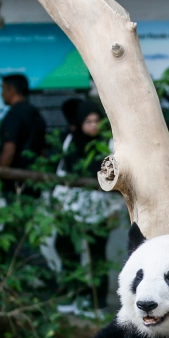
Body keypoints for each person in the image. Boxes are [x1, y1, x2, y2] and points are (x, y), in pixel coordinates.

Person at [53, 99, 118, 310]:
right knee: (65, 248)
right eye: (88, 121)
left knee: (97, 256)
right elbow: (62, 172)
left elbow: (114, 178)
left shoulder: (107, 144)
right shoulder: (71, 141)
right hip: (71, 207)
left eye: (96, 121)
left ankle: (96, 303)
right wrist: (59, 203)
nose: (93, 126)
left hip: (99, 208)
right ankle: (74, 294)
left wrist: (114, 210)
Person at [0, 74, 47, 193]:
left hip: (14, 181)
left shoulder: (13, 116)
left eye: (3, 89)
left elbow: (9, 150)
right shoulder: (35, 114)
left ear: (12, 91)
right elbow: (42, 151)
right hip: (34, 181)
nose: (1, 94)